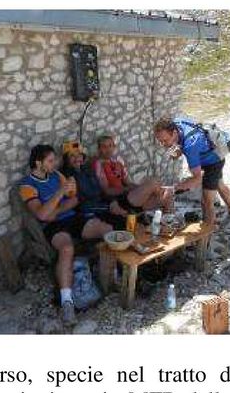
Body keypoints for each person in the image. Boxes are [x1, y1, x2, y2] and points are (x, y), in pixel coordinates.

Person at [18, 143, 113, 328]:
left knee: (106, 229)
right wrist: (60, 194)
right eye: (50, 161)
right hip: (52, 226)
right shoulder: (27, 186)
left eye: (55, 160)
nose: (55, 164)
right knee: (67, 248)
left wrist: (57, 208)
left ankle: (113, 276)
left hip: (71, 219)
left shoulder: (56, 175)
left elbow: (75, 198)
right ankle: (67, 302)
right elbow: (43, 215)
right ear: (38, 163)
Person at [153, 117, 230, 229]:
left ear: (174, 133)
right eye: (160, 141)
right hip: (205, 152)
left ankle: (207, 234)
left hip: (214, 160)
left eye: (165, 140)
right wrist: (176, 149)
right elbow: (180, 145)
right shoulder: (177, 123)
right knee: (218, 184)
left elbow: (197, 179)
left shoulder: (191, 145)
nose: (162, 144)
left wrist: (174, 189)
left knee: (206, 200)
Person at [90, 133, 174, 221]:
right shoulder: (98, 164)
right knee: (153, 182)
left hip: (130, 198)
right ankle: (148, 215)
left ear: (114, 147)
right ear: (99, 149)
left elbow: (127, 182)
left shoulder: (118, 162)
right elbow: (106, 191)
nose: (108, 149)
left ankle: (168, 224)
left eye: (110, 146)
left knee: (167, 193)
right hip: (118, 201)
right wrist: (127, 189)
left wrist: (139, 188)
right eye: (104, 147)